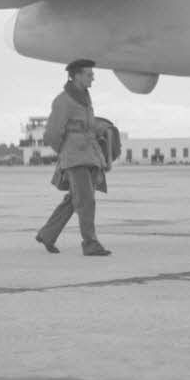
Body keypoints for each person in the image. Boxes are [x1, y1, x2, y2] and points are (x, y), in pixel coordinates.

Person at [35, 58, 113, 255]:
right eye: (89, 74)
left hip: (90, 155)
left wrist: (102, 130)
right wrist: (67, 151)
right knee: (86, 201)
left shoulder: (85, 98)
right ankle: (90, 243)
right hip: (76, 158)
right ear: (76, 75)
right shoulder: (63, 101)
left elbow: (88, 126)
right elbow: (52, 134)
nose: (93, 77)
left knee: (74, 200)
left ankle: (47, 234)